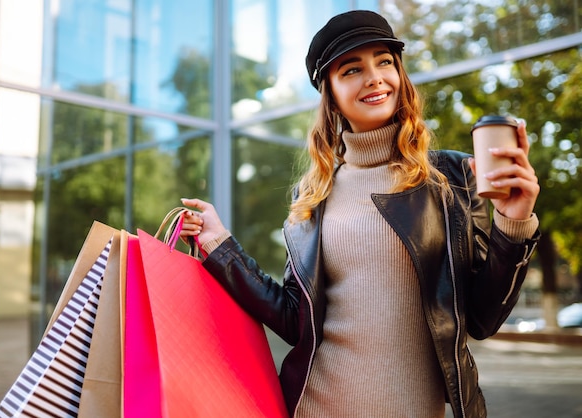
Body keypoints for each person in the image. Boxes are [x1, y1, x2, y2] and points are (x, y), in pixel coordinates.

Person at [179, 9, 540, 418]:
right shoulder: (311, 194)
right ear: (330, 94)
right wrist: (219, 245)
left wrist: (513, 224)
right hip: (313, 407)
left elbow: (481, 319)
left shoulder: (453, 178)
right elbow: (296, 319)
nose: (374, 77)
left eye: (384, 61)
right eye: (352, 69)